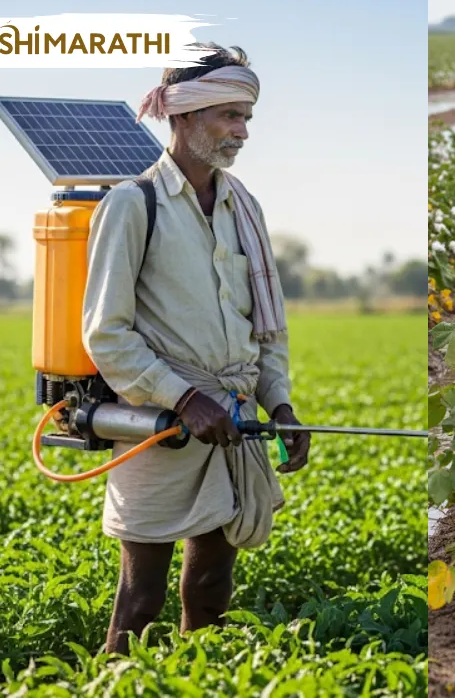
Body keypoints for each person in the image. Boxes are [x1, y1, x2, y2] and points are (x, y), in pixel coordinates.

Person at [81, 42, 311, 656]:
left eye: (246, 117)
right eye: (229, 115)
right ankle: (114, 684)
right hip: (163, 425)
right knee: (141, 599)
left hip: (231, 418)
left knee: (211, 588)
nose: (242, 132)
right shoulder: (133, 204)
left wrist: (280, 405)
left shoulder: (245, 208)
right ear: (183, 115)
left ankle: (199, 679)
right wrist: (184, 400)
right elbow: (106, 333)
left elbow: (267, 329)